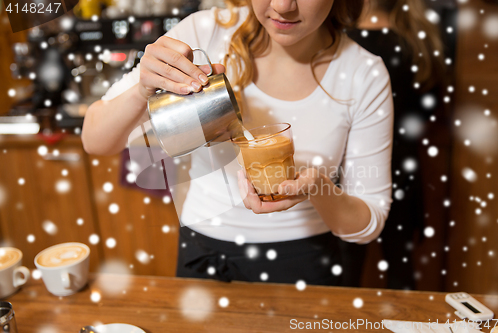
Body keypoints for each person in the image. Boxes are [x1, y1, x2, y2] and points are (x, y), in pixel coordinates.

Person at [82, 0, 394, 286]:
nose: (283, 6)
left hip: (305, 265)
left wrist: (318, 188)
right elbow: (95, 140)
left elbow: (369, 223)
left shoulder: (362, 73)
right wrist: (142, 90)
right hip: (203, 256)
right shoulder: (204, 32)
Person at [339, 0, 446, 289]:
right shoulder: (418, 44)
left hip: (353, 169)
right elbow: (428, 111)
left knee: (347, 269)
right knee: (401, 267)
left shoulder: (343, 44)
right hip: (403, 167)